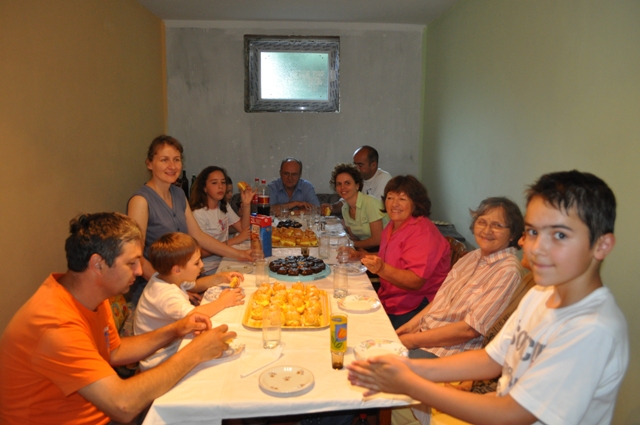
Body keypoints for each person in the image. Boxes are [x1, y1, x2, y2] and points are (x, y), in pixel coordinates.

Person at [348, 170, 629, 425]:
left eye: (560, 235)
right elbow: (491, 359)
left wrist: (411, 382)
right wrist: (410, 367)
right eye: (533, 232)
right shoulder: (540, 295)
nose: (537, 248)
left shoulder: (591, 327)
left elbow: (513, 413)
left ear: (602, 245)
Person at [0, 213, 236, 424]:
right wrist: (195, 351)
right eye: (131, 263)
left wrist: (175, 329)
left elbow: (115, 351)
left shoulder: (93, 296)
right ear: (97, 264)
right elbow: (123, 406)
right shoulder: (55, 324)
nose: (139, 271)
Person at [127, 135, 253, 303]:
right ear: (149, 163)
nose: (172, 166)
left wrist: (240, 254)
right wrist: (173, 290)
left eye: (176, 159)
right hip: (156, 290)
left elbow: (198, 236)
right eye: (164, 160)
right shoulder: (141, 201)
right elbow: (136, 256)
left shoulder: (178, 194)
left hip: (183, 283)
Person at [397, 197, 526, 359]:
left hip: (449, 353)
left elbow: (469, 330)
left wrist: (412, 341)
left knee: (376, 367)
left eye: (497, 225)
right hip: (424, 336)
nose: (487, 230)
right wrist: (409, 327)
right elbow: (441, 300)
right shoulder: (472, 257)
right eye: (482, 222)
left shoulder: (507, 271)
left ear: (513, 234)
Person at [134, 232, 245, 370]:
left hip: (171, 344)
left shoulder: (166, 276)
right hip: (160, 359)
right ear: (177, 270)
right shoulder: (166, 294)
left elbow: (196, 285)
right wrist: (223, 302)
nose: (202, 265)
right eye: (197, 263)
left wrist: (220, 277)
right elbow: (194, 316)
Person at [356, 175, 450, 329]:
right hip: (390, 298)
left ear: (416, 203)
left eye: (402, 199)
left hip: (415, 307)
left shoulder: (422, 232)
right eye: (390, 198)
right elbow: (390, 258)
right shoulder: (393, 225)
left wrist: (382, 269)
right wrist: (361, 255)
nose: (394, 204)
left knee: (361, 328)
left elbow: (415, 281)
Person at [190, 166, 254, 274]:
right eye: (214, 183)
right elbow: (200, 253)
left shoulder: (223, 206)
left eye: (223, 182)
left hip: (225, 260)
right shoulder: (198, 213)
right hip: (208, 269)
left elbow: (244, 229)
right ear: (204, 188)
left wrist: (247, 205)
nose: (220, 186)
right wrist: (234, 240)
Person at [330, 163, 389, 250]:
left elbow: (377, 240)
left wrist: (351, 245)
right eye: (339, 184)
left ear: (357, 185)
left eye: (347, 183)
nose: (342, 187)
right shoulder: (345, 209)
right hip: (366, 250)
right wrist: (358, 252)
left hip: (384, 250)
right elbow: (355, 238)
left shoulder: (370, 202)